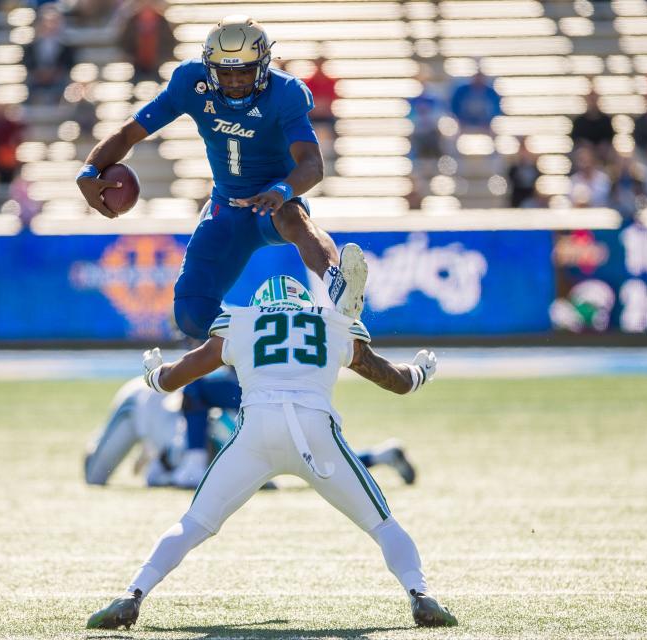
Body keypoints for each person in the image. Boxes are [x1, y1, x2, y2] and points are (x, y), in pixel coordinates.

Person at [85, 275, 456, 629]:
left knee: (193, 523)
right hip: (315, 430)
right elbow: (396, 380)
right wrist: (420, 373)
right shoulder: (332, 322)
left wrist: (154, 375)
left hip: (256, 432)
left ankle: (132, 594)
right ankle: (419, 593)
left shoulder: (241, 321)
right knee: (383, 524)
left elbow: (178, 376)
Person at [76, 15, 368, 342]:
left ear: (264, 64)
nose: (235, 82)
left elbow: (313, 165)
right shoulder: (191, 81)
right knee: (190, 315)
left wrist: (282, 190)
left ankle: (336, 283)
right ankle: (259, 343)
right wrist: (89, 169)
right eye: (225, 73)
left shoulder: (286, 92)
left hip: (272, 202)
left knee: (293, 217)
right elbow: (130, 132)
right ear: (208, 67)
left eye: (245, 71)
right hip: (225, 208)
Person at [84, 375, 417, 488]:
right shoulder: (210, 425)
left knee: (302, 459)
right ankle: (96, 444)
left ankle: (381, 454)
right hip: (140, 402)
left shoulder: (231, 418)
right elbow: (186, 401)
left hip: (192, 418)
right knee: (94, 474)